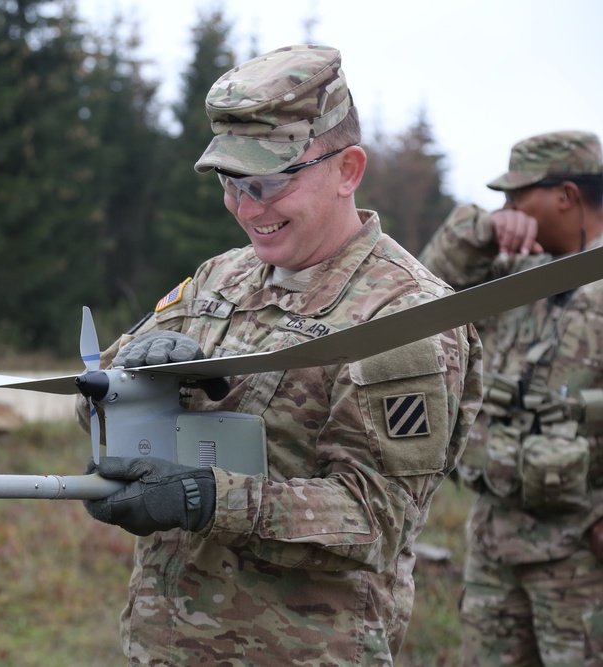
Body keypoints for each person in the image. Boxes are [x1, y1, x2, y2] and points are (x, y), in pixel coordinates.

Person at [78, 44, 484, 665]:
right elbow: (91, 403)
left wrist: (205, 498)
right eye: (231, 184)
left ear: (348, 169)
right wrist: (133, 378)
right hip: (166, 645)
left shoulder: (403, 318)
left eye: (267, 183)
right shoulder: (219, 278)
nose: (246, 208)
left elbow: (373, 519)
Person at [419, 131, 603, 666]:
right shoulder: (514, 273)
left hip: (580, 551)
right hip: (495, 540)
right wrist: (481, 229)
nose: (509, 210)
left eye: (517, 198)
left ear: (565, 195)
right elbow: (426, 292)